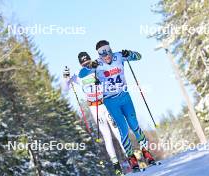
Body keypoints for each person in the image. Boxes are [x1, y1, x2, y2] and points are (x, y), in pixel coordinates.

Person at [78, 40, 156, 171]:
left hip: (125, 97)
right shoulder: (97, 63)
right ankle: (132, 159)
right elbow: (81, 74)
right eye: (103, 54)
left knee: (134, 125)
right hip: (110, 101)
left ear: (111, 50)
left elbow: (139, 56)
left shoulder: (119, 56)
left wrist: (130, 53)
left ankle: (146, 153)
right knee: (123, 129)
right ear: (99, 55)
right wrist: (90, 65)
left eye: (108, 52)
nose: (107, 56)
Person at [63, 52, 124, 176]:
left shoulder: (98, 67)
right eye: (84, 63)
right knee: (107, 136)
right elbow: (65, 88)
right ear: (81, 64)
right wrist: (66, 76)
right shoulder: (79, 76)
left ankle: (131, 158)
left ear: (91, 60)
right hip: (95, 108)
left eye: (88, 62)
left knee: (117, 132)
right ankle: (116, 165)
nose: (87, 65)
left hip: (106, 104)